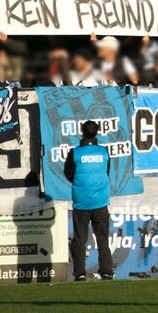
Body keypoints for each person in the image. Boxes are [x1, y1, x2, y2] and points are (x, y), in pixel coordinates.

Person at [64, 120, 113, 282]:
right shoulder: (104, 152)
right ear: (96, 132)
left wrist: (80, 184)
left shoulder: (75, 152)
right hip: (100, 200)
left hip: (81, 201)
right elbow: (106, 171)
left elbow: (68, 173)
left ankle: (80, 274)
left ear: (82, 132)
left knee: (80, 238)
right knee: (102, 237)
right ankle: (106, 272)